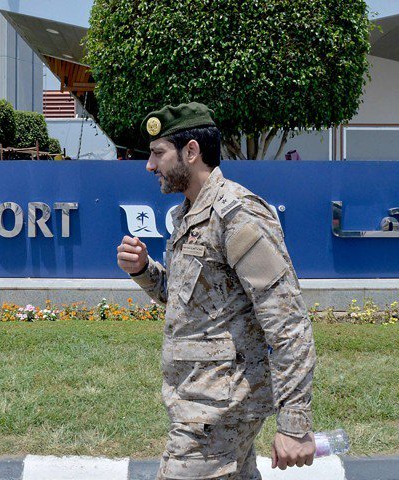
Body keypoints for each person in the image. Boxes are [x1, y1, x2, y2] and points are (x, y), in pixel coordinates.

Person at [116, 102, 316, 480]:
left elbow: (288, 321)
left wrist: (294, 424)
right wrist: (143, 270)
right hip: (203, 401)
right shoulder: (189, 216)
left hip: (217, 412)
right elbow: (192, 300)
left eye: (158, 153)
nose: (149, 165)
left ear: (191, 152)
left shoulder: (237, 214)